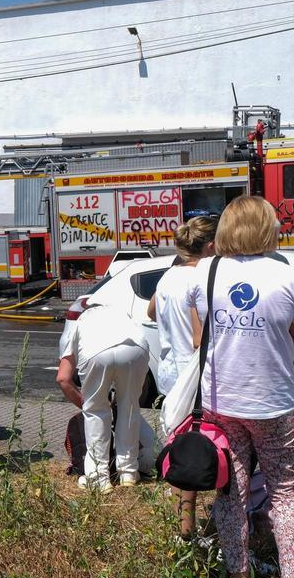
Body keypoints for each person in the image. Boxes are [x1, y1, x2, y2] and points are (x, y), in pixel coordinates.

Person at [185, 196, 294, 578]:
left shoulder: (207, 271)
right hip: (274, 402)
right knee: (286, 490)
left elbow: (198, 332)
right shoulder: (289, 275)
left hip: (220, 402)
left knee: (230, 491)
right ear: (268, 227)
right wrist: (286, 384)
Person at [146, 215, 217, 534]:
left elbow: (150, 311)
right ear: (212, 245)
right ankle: (187, 529)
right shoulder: (203, 276)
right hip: (196, 376)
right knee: (194, 456)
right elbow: (202, 334)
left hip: (170, 371)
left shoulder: (168, 276)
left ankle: (181, 525)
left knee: (180, 450)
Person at [56, 303, 151, 492]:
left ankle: (99, 478)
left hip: (96, 351)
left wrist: (89, 404)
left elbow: (63, 378)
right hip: (136, 347)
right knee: (129, 407)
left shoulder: (78, 323)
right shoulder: (120, 312)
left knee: (96, 412)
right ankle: (128, 473)